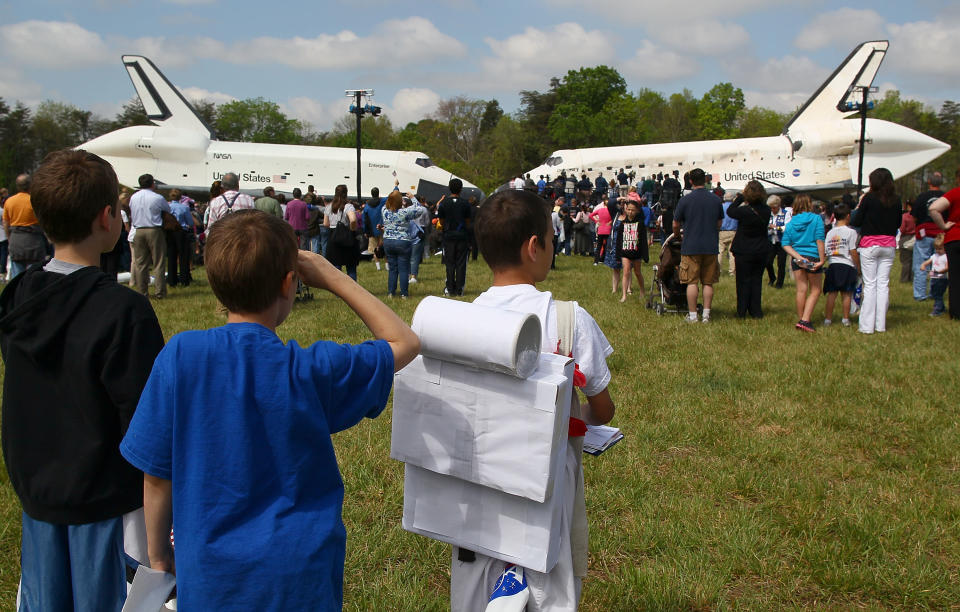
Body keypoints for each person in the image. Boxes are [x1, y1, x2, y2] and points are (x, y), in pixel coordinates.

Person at [119, 209, 419, 610]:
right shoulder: (312, 370)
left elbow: (156, 475)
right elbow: (405, 343)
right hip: (300, 574)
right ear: (289, 283)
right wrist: (330, 275)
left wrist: (158, 557)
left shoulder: (181, 356)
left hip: (210, 573)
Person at [0, 149, 165, 611]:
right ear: (108, 218)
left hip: (39, 491)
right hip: (108, 502)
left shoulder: (18, 295)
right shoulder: (123, 311)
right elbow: (145, 419)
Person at [451, 188, 615, 612]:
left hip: (475, 486)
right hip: (547, 486)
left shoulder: (460, 322)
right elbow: (602, 408)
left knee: (475, 589)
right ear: (533, 246)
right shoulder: (568, 318)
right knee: (551, 592)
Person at [850, 168, 902, 334]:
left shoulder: (869, 198)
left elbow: (856, 220)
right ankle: (881, 325)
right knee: (883, 285)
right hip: (888, 245)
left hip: (870, 245)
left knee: (870, 284)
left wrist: (859, 207)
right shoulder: (896, 199)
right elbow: (898, 223)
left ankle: (866, 326)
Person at [673, 168, 724, 323]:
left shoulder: (685, 200)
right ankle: (706, 315)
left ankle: (693, 315)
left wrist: (677, 235)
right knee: (708, 282)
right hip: (710, 245)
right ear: (705, 180)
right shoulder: (715, 199)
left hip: (691, 245)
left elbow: (676, 223)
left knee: (692, 281)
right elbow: (719, 223)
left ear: (690, 181)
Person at [727, 181, 772, 319]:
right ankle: (756, 310)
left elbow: (730, 211)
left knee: (742, 281)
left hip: (743, 249)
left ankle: (742, 310)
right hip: (760, 248)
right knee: (756, 280)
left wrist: (740, 198)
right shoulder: (766, 210)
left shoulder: (743, 211)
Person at [781, 194, 826, 332]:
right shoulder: (816, 219)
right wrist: (822, 258)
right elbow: (819, 239)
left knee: (801, 289)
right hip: (813, 256)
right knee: (816, 289)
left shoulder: (791, 223)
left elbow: (785, 244)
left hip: (798, 259)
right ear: (809, 204)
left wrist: (798, 256)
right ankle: (805, 320)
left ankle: (801, 319)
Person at [129, 173, 171, 299]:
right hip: (154, 229)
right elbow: (168, 210)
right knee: (158, 262)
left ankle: (142, 292)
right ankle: (160, 292)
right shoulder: (157, 197)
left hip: (138, 230)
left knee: (140, 263)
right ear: (152, 183)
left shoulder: (133, 197)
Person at [927, 167, 960, 319]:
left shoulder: (955, 193)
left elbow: (933, 208)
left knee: (955, 276)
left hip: (954, 238)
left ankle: (956, 312)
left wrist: (944, 226)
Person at [380, 190, 424, 298]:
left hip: (388, 241)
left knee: (393, 269)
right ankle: (404, 293)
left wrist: (395, 188)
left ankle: (391, 292)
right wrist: (413, 198)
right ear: (401, 202)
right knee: (404, 269)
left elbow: (388, 201)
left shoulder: (384, 211)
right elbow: (420, 209)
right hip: (403, 241)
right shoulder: (405, 212)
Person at [822, 203, 860, 327]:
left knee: (832, 293)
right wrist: (858, 267)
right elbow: (853, 251)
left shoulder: (830, 233)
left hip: (833, 264)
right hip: (846, 264)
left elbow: (826, 251)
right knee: (846, 293)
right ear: (848, 216)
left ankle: (828, 319)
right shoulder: (851, 232)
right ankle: (845, 319)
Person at [3, 174, 47, 279]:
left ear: (17, 186)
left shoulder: (9, 201)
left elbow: (6, 223)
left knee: (17, 277)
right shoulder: (35, 201)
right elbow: (43, 222)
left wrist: (9, 238)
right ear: (31, 185)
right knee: (35, 275)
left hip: (16, 240)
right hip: (34, 241)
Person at [911, 172, 945, 301]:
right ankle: (935, 293)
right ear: (941, 183)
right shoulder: (945, 197)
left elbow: (914, 216)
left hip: (924, 233)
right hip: (941, 234)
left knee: (921, 264)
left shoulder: (922, 197)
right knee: (938, 263)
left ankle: (920, 295)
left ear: (929, 182)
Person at [437, 178, 472, 296]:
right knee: (461, 264)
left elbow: (441, 221)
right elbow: (468, 221)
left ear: (449, 188)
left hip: (448, 236)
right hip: (462, 236)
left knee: (450, 263)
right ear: (461, 189)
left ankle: (449, 288)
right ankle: (459, 289)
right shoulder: (465, 203)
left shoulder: (444, 203)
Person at [324, 184, 360, 281]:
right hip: (347, 237)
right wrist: (352, 229)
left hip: (333, 237)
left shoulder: (329, 207)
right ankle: (352, 289)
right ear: (346, 193)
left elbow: (325, 223)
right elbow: (352, 220)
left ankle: (338, 291)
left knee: (336, 268)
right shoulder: (348, 206)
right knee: (351, 267)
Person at [617, 198, 647, 303]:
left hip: (637, 252)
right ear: (626, 210)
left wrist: (645, 255)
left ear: (637, 211)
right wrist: (618, 254)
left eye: (633, 210)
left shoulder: (640, 223)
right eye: (628, 209)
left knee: (638, 272)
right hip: (625, 252)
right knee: (626, 272)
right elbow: (619, 240)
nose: (630, 212)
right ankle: (624, 295)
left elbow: (643, 240)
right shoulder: (622, 224)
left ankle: (642, 291)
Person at [166, 188, 195, 288]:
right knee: (183, 256)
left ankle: (171, 280)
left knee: (171, 256)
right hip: (181, 231)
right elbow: (191, 223)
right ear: (180, 197)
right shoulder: (184, 208)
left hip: (169, 232)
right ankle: (184, 279)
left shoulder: (167, 207)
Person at [765, 194, 792, 287]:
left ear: (778, 206)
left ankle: (779, 284)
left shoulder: (786, 213)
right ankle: (772, 277)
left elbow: (787, 228)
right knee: (767, 261)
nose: (772, 210)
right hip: (771, 241)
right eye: (770, 208)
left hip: (782, 242)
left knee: (781, 263)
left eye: (773, 208)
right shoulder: (768, 214)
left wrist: (776, 227)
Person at [920, 235, 949, 317]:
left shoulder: (945, 257)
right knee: (934, 293)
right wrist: (923, 265)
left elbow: (947, 267)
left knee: (937, 294)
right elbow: (928, 261)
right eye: (936, 249)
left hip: (941, 279)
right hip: (934, 278)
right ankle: (941, 307)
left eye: (940, 249)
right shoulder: (934, 256)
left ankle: (937, 310)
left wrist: (940, 271)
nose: (938, 251)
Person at [363, 187, 384, 270]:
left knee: (374, 248)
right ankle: (387, 266)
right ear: (378, 193)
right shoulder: (382, 201)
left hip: (372, 230)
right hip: (382, 228)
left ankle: (378, 266)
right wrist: (396, 185)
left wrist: (365, 231)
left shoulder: (367, 206)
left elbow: (364, 220)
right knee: (384, 247)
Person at [718, 194, 738, 277]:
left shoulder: (721, 207)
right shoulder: (735, 208)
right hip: (733, 231)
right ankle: (732, 271)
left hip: (722, 231)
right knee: (732, 253)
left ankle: (718, 270)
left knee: (720, 251)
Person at [589, 199, 612, 265]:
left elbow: (590, 215)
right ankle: (604, 259)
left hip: (601, 230)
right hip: (608, 230)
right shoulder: (610, 211)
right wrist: (610, 222)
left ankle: (596, 261)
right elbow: (614, 217)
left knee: (599, 246)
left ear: (603, 204)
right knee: (607, 246)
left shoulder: (600, 210)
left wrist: (596, 221)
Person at [898, 200, 915, 283]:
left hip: (906, 237)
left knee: (905, 261)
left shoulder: (905, 216)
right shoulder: (918, 216)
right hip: (915, 237)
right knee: (913, 260)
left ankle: (904, 279)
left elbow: (902, 229)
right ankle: (912, 278)